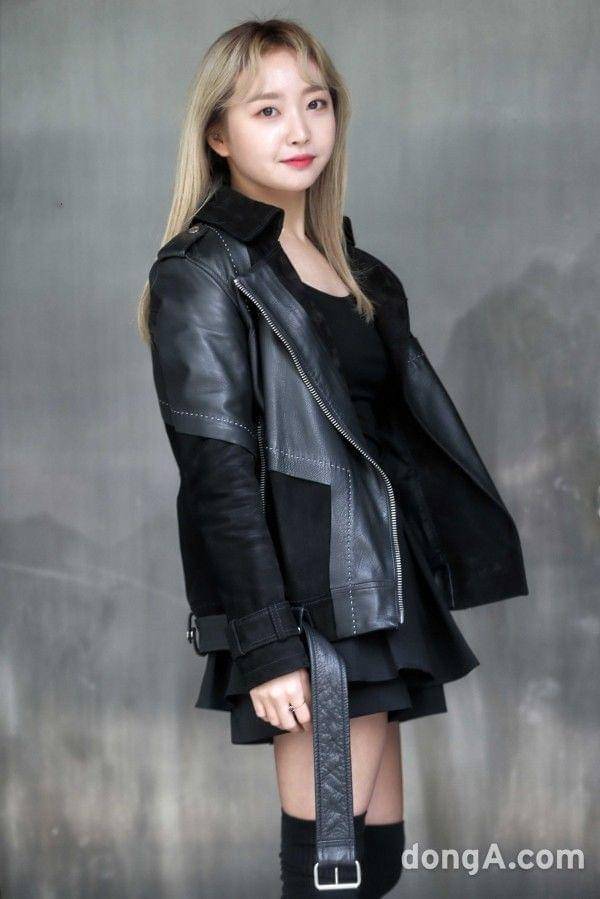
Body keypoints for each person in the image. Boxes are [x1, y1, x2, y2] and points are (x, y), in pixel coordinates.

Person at [137, 18, 528, 897]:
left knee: (370, 863)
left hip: (376, 592)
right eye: (267, 110)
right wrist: (268, 643)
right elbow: (217, 478)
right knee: (330, 870)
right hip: (310, 608)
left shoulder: (353, 268)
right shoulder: (201, 271)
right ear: (218, 134)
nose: (300, 129)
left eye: (315, 104)